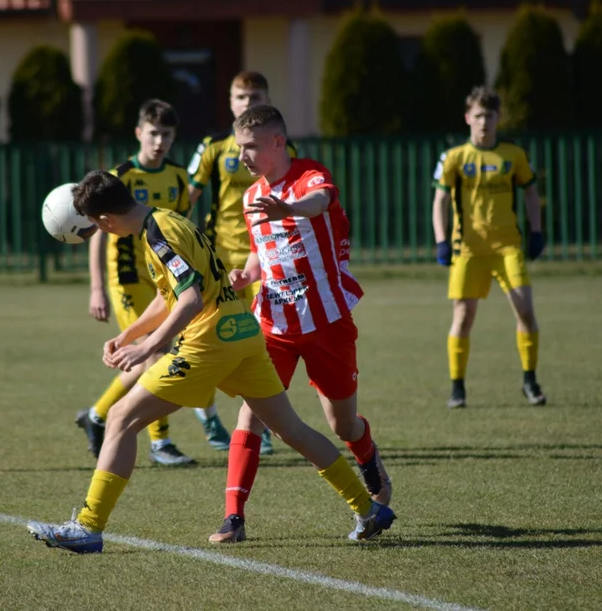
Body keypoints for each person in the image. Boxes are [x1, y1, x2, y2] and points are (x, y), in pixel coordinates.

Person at [27, 171, 396, 553]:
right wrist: (128, 335)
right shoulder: (167, 219)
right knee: (292, 429)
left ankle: (87, 527)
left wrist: (148, 346)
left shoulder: (157, 234)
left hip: (210, 342)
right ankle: (367, 508)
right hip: (243, 332)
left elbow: (189, 301)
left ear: (104, 222)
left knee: (121, 418)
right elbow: (170, 295)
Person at [206, 105, 392, 543]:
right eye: (238, 149)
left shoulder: (310, 176)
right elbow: (260, 253)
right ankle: (234, 517)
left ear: (277, 142)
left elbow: (320, 202)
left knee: (342, 425)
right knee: (251, 415)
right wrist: (246, 274)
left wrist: (287, 206)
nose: (242, 157)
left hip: (327, 323)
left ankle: (370, 463)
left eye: (250, 147)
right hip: (272, 324)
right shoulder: (251, 197)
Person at [77, 99, 197, 466]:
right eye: (153, 133)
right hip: (127, 278)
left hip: (162, 278)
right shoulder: (121, 176)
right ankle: (160, 442)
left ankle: (96, 415)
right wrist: (97, 287)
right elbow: (99, 233)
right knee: (156, 354)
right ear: (139, 133)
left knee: (151, 357)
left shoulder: (178, 177)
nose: (159, 141)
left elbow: (181, 229)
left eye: (167, 135)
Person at [186, 71, 296, 455]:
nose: (247, 103)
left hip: (261, 260)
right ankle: (208, 411)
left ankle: (259, 423)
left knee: (260, 341)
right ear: (230, 102)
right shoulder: (213, 147)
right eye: (240, 96)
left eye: (255, 96)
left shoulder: (284, 148)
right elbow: (187, 197)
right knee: (207, 335)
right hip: (217, 258)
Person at [432, 87, 547, 409]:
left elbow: (531, 193)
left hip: (507, 247)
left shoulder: (513, 155)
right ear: (468, 117)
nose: (484, 122)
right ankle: (457, 387)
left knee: (525, 310)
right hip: (468, 249)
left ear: (499, 118)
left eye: (490, 116)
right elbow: (440, 199)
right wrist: (442, 240)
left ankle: (530, 381)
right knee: (464, 317)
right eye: (479, 116)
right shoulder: (454, 157)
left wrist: (536, 231)